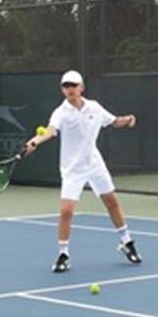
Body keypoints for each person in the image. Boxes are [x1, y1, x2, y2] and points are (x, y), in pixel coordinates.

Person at [24, 70, 142, 273]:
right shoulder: (60, 112)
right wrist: (35, 141)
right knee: (66, 211)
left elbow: (113, 121)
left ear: (81, 88)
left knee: (112, 202)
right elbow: (51, 130)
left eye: (73, 85)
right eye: (66, 86)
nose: (69, 89)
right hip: (72, 169)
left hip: (94, 164)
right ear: (62, 90)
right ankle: (64, 254)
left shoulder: (94, 107)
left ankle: (127, 242)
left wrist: (128, 119)